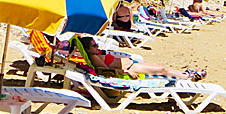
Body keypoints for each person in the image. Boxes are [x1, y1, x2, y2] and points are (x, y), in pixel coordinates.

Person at [78, 37, 206, 81]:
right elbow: (104, 70)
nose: (97, 46)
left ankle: (184, 74)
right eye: (94, 46)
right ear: (88, 49)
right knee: (162, 70)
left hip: (132, 64)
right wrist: (127, 72)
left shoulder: (97, 52)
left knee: (160, 67)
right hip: (130, 68)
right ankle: (189, 77)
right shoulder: (94, 57)